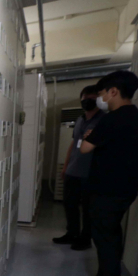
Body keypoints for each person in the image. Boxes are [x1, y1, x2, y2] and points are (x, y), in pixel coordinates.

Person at [72, 71, 138, 276]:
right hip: (120, 189)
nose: (100, 98)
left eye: (102, 93)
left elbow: (85, 147)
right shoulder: (133, 116)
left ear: (113, 91)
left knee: (106, 239)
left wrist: (90, 137)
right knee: (109, 236)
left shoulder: (114, 118)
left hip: (109, 190)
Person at [53, 85, 104, 250]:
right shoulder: (80, 120)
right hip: (73, 170)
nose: (87, 102)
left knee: (88, 208)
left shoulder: (104, 120)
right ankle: (72, 233)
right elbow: (74, 143)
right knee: (69, 204)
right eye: (85, 99)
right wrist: (66, 166)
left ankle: (85, 238)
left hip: (91, 172)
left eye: (91, 99)